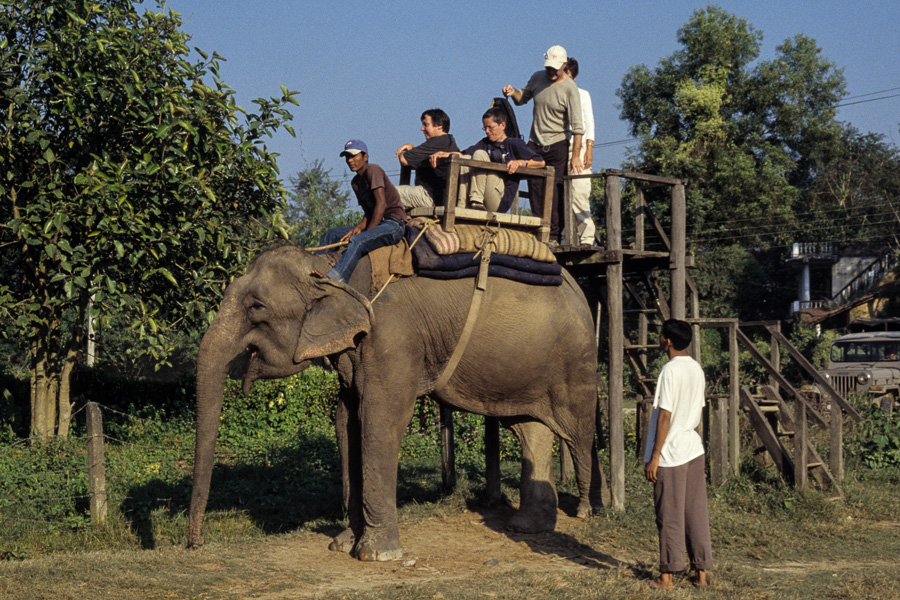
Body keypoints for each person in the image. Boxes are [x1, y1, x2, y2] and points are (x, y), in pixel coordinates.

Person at [644, 319, 713, 591]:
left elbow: (665, 416)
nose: (660, 339)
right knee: (696, 512)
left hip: (672, 453)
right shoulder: (696, 368)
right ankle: (702, 574)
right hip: (693, 449)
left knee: (669, 514)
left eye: (662, 336)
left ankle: (668, 576)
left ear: (668, 341)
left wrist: (655, 455)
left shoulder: (669, 370)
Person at [502, 45, 584, 244]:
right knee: (535, 188)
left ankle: (554, 236)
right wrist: (513, 92)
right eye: (548, 67)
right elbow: (523, 98)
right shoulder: (538, 77)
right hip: (536, 142)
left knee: (555, 190)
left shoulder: (570, 89)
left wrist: (575, 156)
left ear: (564, 65)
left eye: (555, 68)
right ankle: (539, 232)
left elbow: (577, 126)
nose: (551, 71)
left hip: (558, 144)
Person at [314, 140, 406, 284]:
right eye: (347, 157)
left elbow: (381, 205)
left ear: (365, 157)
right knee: (333, 233)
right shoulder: (356, 183)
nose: (350, 161)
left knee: (358, 240)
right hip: (376, 222)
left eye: (354, 156)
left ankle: (336, 278)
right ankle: (312, 266)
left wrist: (366, 234)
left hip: (392, 224)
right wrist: (358, 228)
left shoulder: (373, 170)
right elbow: (369, 213)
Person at [429, 107, 545, 213]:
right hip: (483, 194)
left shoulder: (514, 143)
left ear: (502, 125)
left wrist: (521, 162)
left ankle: (476, 200)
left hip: (499, 198)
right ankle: (461, 205)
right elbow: (462, 154)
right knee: (466, 158)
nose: (487, 131)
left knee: (479, 154)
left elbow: (540, 162)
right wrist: (444, 154)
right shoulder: (485, 142)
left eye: (490, 127)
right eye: (485, 128)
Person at [395, 109, 460, 209]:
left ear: (439, 125)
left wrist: (403, 151)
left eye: (426, 124)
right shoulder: (449, 141)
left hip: (431, 197)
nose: (422, 128)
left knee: (382, 192)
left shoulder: (438, 141)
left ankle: (389, 223)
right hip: (439, 196)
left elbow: (404, 160)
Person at [563, 58, 597, 246]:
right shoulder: (556, 93)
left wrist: (589, 149)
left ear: (574, 77)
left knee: (580, 192)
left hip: (580, 146)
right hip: (560, 146)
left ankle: (586, 237)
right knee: (561, 195)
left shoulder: (583, 94)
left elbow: (589, 122)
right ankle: (565, 237)